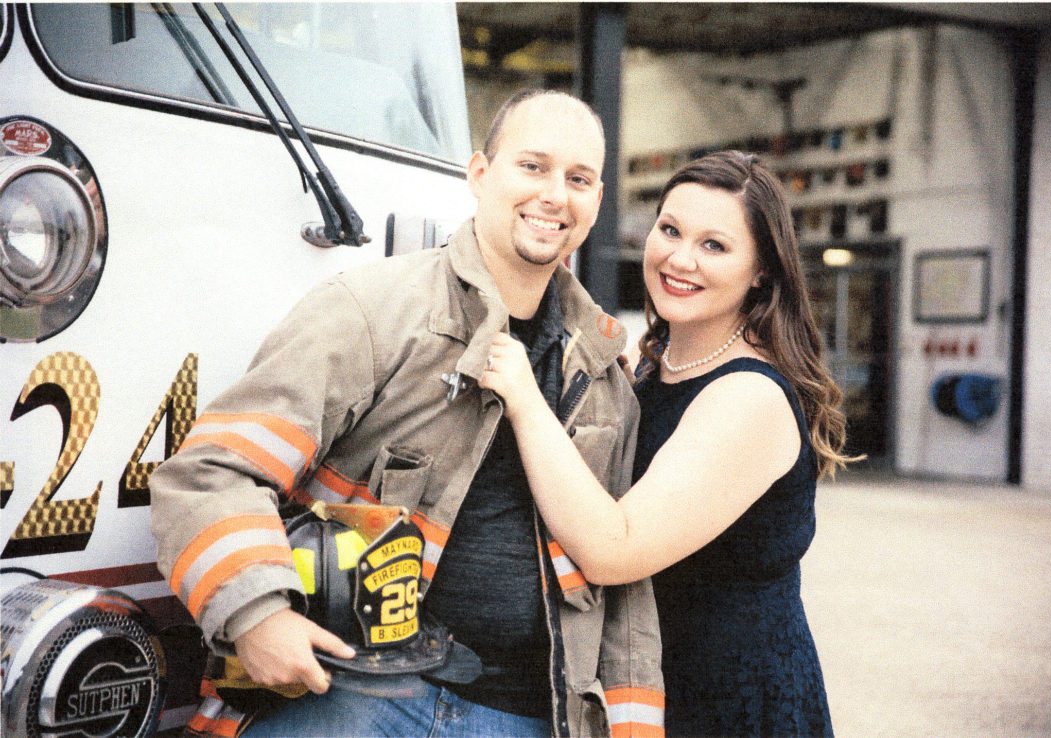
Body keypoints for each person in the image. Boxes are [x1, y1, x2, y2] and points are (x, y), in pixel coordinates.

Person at [149, 89, 664, 738]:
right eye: (533, 166)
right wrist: (256, 614)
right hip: (350, 697)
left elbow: (621, 607)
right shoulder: (371, 312)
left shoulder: (606, 377)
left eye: (579, 179)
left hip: (527, 717)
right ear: (480, 174)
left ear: (597, 201)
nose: (555, 195)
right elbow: (210, 472)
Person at [481, 150, 859, 737]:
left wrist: (525, 401)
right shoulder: (655, 365)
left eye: (715, 245)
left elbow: (614, 549)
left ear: (761, 271)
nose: (680, 259)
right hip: (658, 683)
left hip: (730, 705)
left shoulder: (749, 398)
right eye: (670, 230)